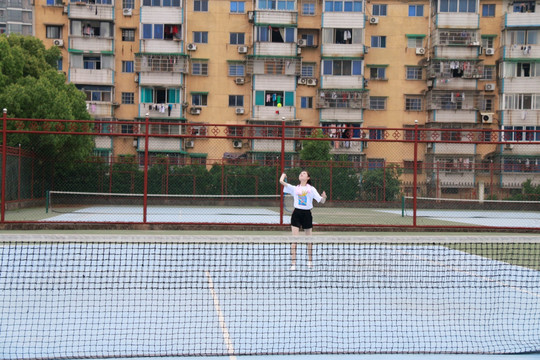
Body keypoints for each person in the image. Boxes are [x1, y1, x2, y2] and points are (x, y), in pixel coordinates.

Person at [280, 171, 327, 270]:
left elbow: (321, 201)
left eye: (304, 173)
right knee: (294, 239)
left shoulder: (311, 189)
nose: (302, 174)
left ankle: (310, 261)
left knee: (309, 239)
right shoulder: (294, 188)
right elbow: (281, 181)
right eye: (301, 173)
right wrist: (283, 175)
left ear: (308, 178)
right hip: (296, 214)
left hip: (307, 215)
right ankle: (293, 264)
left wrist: (324, 197)